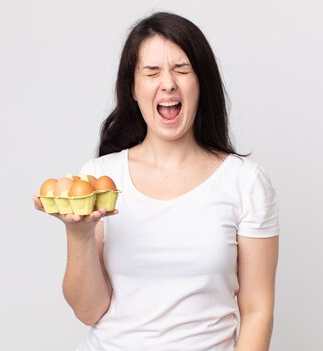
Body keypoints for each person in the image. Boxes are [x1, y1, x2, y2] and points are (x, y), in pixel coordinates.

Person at [33, 12, 279, 351]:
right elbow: (89, 310)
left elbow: (257, 310)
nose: (168, 83)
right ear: (133, 88)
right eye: (151, 72)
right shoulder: (101, 179)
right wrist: (79, 233)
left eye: (181, 69)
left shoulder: (245, 182)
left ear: (201, 83)